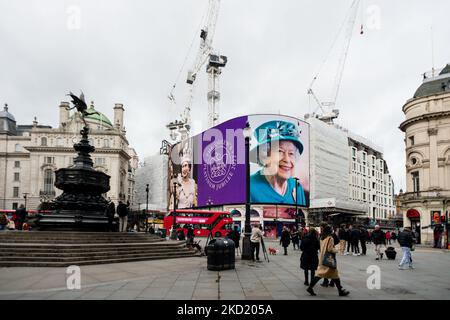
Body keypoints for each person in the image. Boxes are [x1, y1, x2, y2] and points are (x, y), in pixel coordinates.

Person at [249, 120, 306, 205]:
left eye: (291, 153)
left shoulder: (296, 187)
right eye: (280, 151)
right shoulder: (248, 187)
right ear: (264, 156)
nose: (287, 159)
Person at [306, 225, 350, 297]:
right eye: (331, 229)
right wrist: (337, 250)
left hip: (323, 258)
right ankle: (310, 287)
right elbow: (330, 249)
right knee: (325, 275)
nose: (332, 230)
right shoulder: (330, 238)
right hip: (329, 259)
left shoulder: (322, 238)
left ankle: (340, 290)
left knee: (332, 275)